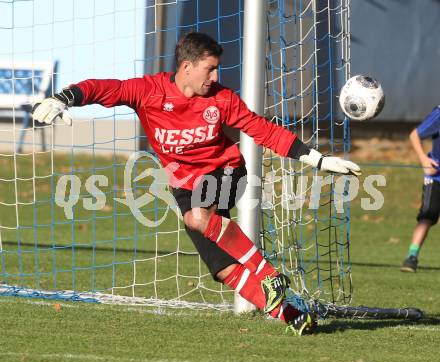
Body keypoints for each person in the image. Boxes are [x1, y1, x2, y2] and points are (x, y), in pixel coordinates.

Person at [32, 32, 361, 335]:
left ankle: (270, 276)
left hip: (228, 172)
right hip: (185, 186)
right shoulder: (149, 92)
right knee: (224, 268)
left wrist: (317, 159)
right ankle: (293, 317)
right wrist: (63, 98)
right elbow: (106, 88)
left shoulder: (222, 100)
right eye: (211, 69)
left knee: (197, 217)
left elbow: (264, 131)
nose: (216, 77)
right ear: (187, 67)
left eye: (217, 69)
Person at [401, 106, 440, 273]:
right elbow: (415, 135)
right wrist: (424, 159)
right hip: (436, 175)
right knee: (427, 215)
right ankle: (411, 257)